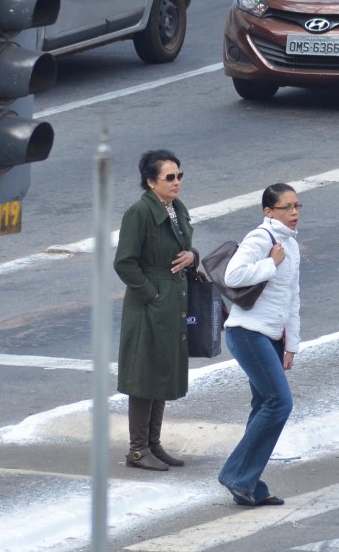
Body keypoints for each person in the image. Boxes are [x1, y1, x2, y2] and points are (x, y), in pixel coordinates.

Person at [218, 183, 301, 506]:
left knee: (263, 406)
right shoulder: (261, 238)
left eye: (297, 206)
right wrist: (271, 264)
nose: (294, 213)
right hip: (247, 332)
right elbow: (232, 276)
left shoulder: (290, 245)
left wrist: (291, 343)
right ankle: (237, 475)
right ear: (269, 212)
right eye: (286, 208)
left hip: (272, 335)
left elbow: (292, 297)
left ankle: (247, 484)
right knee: (279, 403)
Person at [114, 149, 196, 471]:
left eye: (179, 176)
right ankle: (137, 450)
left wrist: (193, 256)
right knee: (144, 374)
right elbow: (124, 262)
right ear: (151, 182)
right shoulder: (139, 213)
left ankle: (153, 444)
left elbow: (183, 248)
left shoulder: (175, 208)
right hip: (151, 303)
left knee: (161, 368)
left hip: (172, 299)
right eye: (169, 177)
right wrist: (153, 295)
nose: (177, 182)